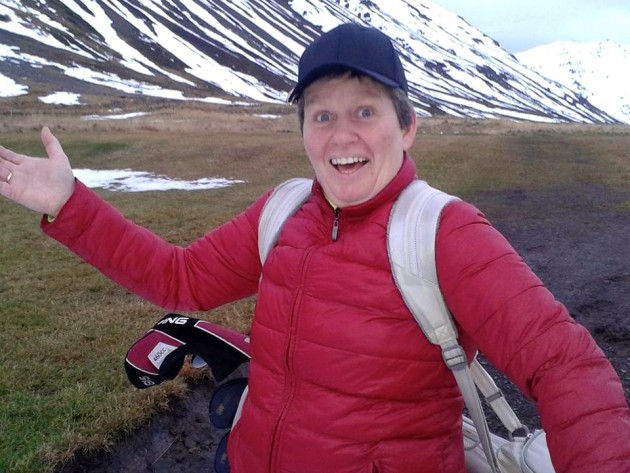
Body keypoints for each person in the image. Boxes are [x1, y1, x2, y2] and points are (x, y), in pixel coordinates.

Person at [1, 22, 629, 473]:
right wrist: (69, 204)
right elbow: (180, 277)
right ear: (302, 130)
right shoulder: (284, 212)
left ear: (407, 126)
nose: (341, 136)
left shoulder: (445, 232)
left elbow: (566, 368)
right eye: (321, 116)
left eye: (365, 112)